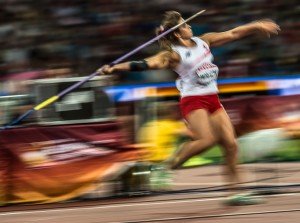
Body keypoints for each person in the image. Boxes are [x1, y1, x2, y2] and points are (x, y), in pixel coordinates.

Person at [97, 11, 280, 205]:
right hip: (193, 100)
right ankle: (166, 167)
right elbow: (146, 64)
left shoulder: (204, 41)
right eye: (185, 25)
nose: (190, 27)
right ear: (176, 33)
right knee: (206, 139)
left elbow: (233, 33)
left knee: (231, 144)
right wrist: (114, 68)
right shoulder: (173, 55)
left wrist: (257, 25)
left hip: (212, 99)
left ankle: (235, 192)